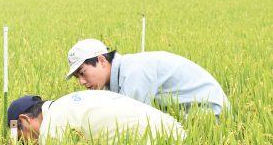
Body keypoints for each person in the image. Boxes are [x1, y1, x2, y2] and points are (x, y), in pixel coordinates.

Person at [66, 39, 230, 117]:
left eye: (82, 73)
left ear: (101, 60)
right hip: (188, 112)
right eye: (77, 77)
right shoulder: (121, 74)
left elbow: (134, 123)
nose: (81, 82)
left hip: (209, 112)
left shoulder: (133, 73)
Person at [7, 90, 186, 145]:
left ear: (25, 119)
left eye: (21, 140)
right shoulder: (68, 100)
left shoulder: (51, 127)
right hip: (175, 130)